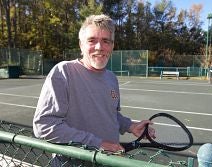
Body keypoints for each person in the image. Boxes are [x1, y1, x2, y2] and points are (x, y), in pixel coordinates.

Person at [33, 14, 154, 160]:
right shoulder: (63, 72)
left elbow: (111, 114)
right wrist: (98, 144)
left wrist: (130, 126)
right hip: (73, 163)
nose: (99, 47)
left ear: (112, 46)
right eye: (92, 40)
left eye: (106, 41)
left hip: (109, 160)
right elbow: (44, 125)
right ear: (81, 45)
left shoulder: (112, 78)